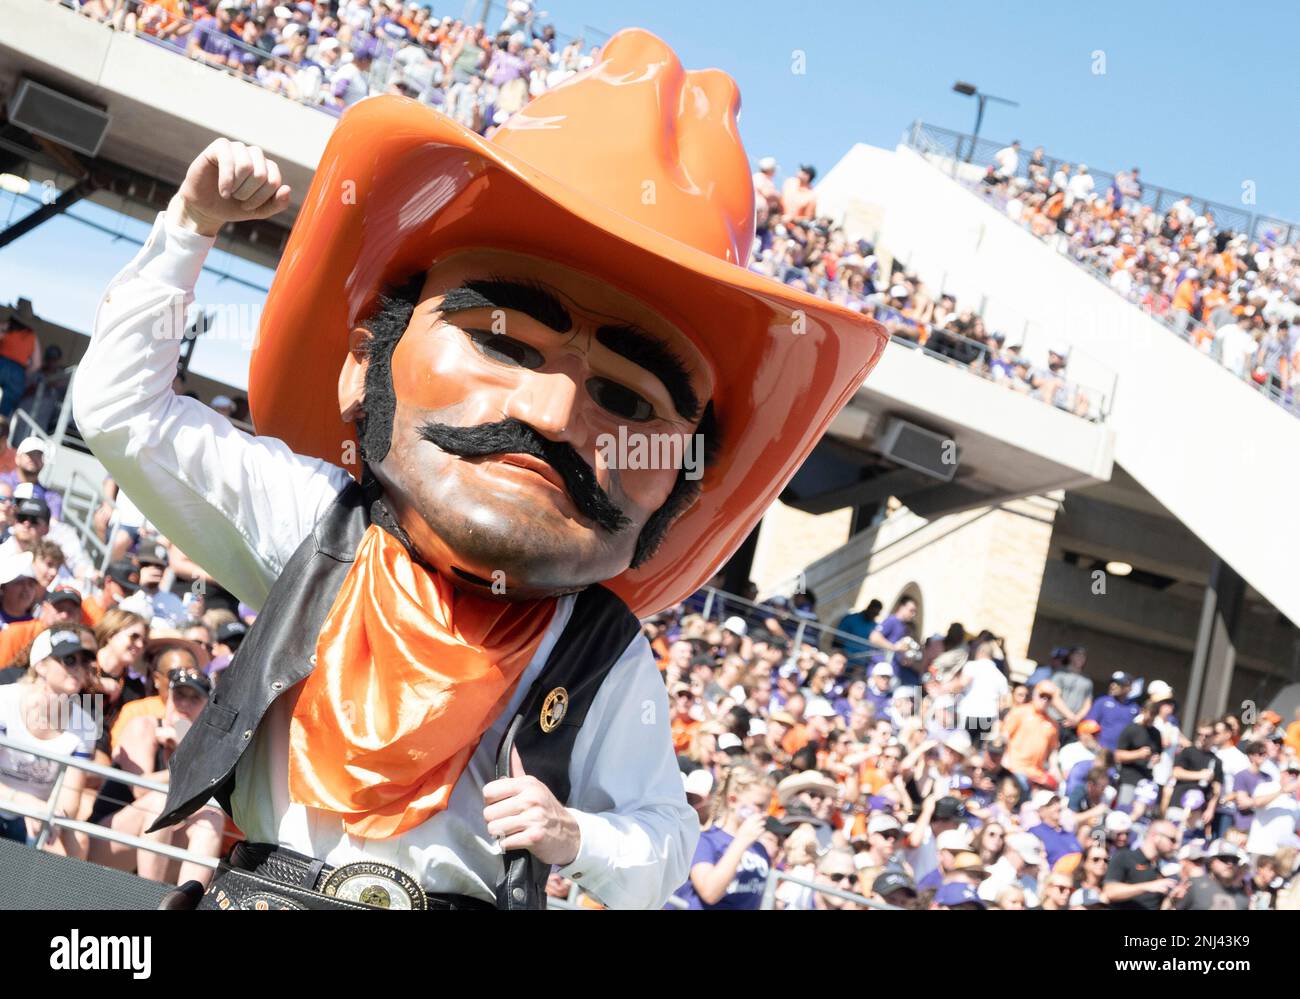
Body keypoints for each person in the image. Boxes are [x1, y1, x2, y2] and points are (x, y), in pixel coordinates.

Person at [72, 30, 885, 911]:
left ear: (676, 483)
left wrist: (581, 835)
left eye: (626, 396)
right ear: (363, 364)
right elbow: (123, 413)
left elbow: (664, 839)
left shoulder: (601, 656)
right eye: (503, 342)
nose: (549, 416)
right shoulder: (315, 527)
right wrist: (187, 230)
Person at [88, 663, 224, 887]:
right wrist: (186, 763)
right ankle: (148, 897)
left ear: (205, 707)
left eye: (194, 698)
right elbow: (141, 790)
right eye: (180, 695)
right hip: (107, 841)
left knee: (212, 818)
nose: (185, 704)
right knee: (159, 802)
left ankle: (184, 901)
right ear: (168, 698)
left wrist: (187, 748)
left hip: (158, 848)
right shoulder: (144, 726)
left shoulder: (202, 751)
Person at [0, 625, 97, 856]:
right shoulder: (4, 701)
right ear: (41, 665)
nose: (78, 669)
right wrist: (23, 802)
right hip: (12, 803)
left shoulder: (85, 724)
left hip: (37, 817)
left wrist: (51, 813)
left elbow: (69, 797)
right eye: (69, 660)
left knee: (75, 841)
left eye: (84, 662)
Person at [674, 763, 774, 910]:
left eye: (766, 807)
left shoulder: (759, 848)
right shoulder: (705, 840)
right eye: (759, 806)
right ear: (732, 800)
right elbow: (710, 893)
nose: (764, 813)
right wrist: (741, 841)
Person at [1102, 818, 1180, 910]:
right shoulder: (1124, 857)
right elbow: (1110, 892)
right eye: (1172, 840)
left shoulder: (1160, 867)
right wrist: (1147, 886)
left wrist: (1172, 898)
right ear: (1156, 837)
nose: (1176, 846)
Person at [1174, 839, 1250, 910]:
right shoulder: (1193, 885)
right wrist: (1171, 902)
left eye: (1234, 860)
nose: (1230, 864)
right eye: (1224, 858)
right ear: (1211, 861)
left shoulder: (1243, 896)